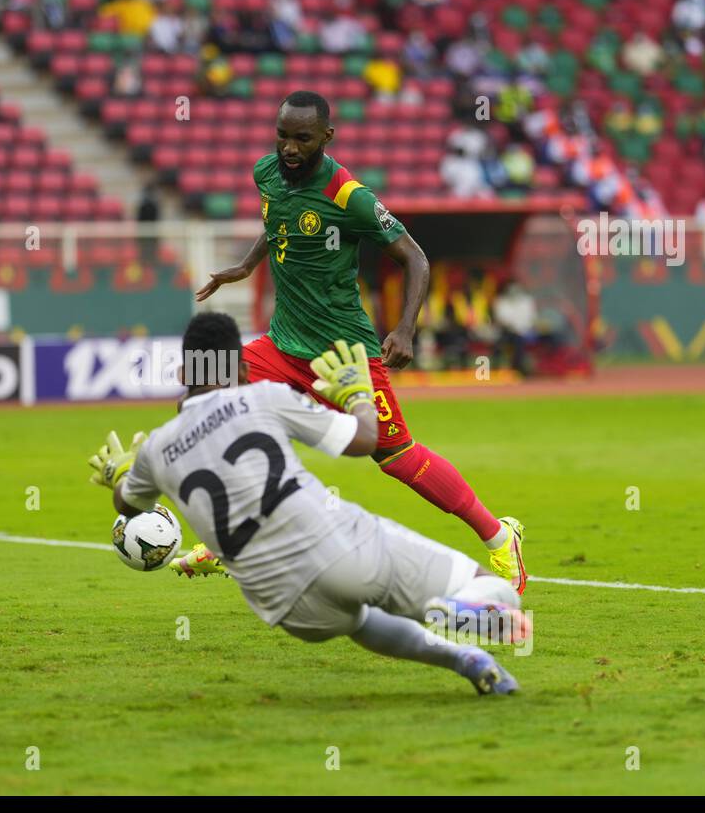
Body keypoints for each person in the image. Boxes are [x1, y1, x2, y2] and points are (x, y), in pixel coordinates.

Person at [88, 312, 524, 696]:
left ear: (184, 370)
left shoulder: (157, 449)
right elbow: (365, 441)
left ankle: (466, 661)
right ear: (242, 369)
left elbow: (126, 505)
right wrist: (356, 396)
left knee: (362, 621)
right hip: (339, 549)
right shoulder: (263, 397)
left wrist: (121, 474)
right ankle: (454, 613)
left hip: (284, 606)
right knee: (499, 596)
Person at [194, 91, 528, 592]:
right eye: (282, 135)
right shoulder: (266, 172)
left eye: (301, 139)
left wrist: (405, 327)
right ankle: (235, 536)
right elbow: (276, 217)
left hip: (343, 355)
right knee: (212, 396)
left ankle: (499, 537)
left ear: (326, 138)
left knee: (397, 458)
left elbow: (416, 259)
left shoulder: (350, 197)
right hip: (283, 345)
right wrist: (246, 265)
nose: (288, 147)